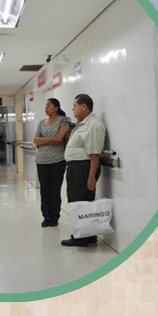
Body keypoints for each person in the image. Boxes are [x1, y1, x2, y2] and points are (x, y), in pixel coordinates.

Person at [62, 93, 107, 247]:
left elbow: (95, 154)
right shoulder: (83, 124)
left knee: (79, 203)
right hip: (78, 168)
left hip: (83, 168)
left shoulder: (93, 125)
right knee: (83, 203)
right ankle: (89, 235)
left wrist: (91, 177)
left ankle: (80, 238)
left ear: (84, 106)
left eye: (75, 106)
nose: (72, 109)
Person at [33, 98, 72, 227]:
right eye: (45, 106)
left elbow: (60, 138)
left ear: (56, 108)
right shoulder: (41, 122)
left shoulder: (64, 120)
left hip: (57, 161)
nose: (46, 108)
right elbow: (35, 140)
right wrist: (51, 140)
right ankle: (46, 216)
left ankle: (54, 216)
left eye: (49, 106)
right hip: (41, 161)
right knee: (44, 190)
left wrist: (43, 141)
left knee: (55, 190)